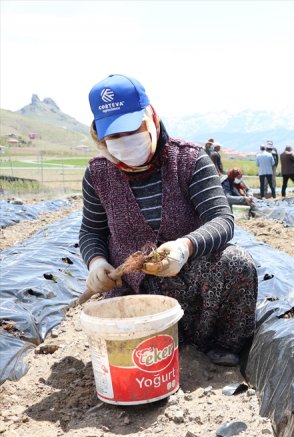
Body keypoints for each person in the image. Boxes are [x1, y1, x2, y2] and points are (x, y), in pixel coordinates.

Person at [79, 74, 257, 367]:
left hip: (190, 279)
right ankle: (162, 342)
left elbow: (222, 219)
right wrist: (96, 261)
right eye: (114, 136)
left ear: (151, 118)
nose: (124, 142)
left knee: (237, 262)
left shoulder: (189, 160)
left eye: (131, 130)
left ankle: (223, 345)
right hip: (134, 289)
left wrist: (185, 247)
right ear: (100, 135)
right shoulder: (98, 174)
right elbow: (91, 230)